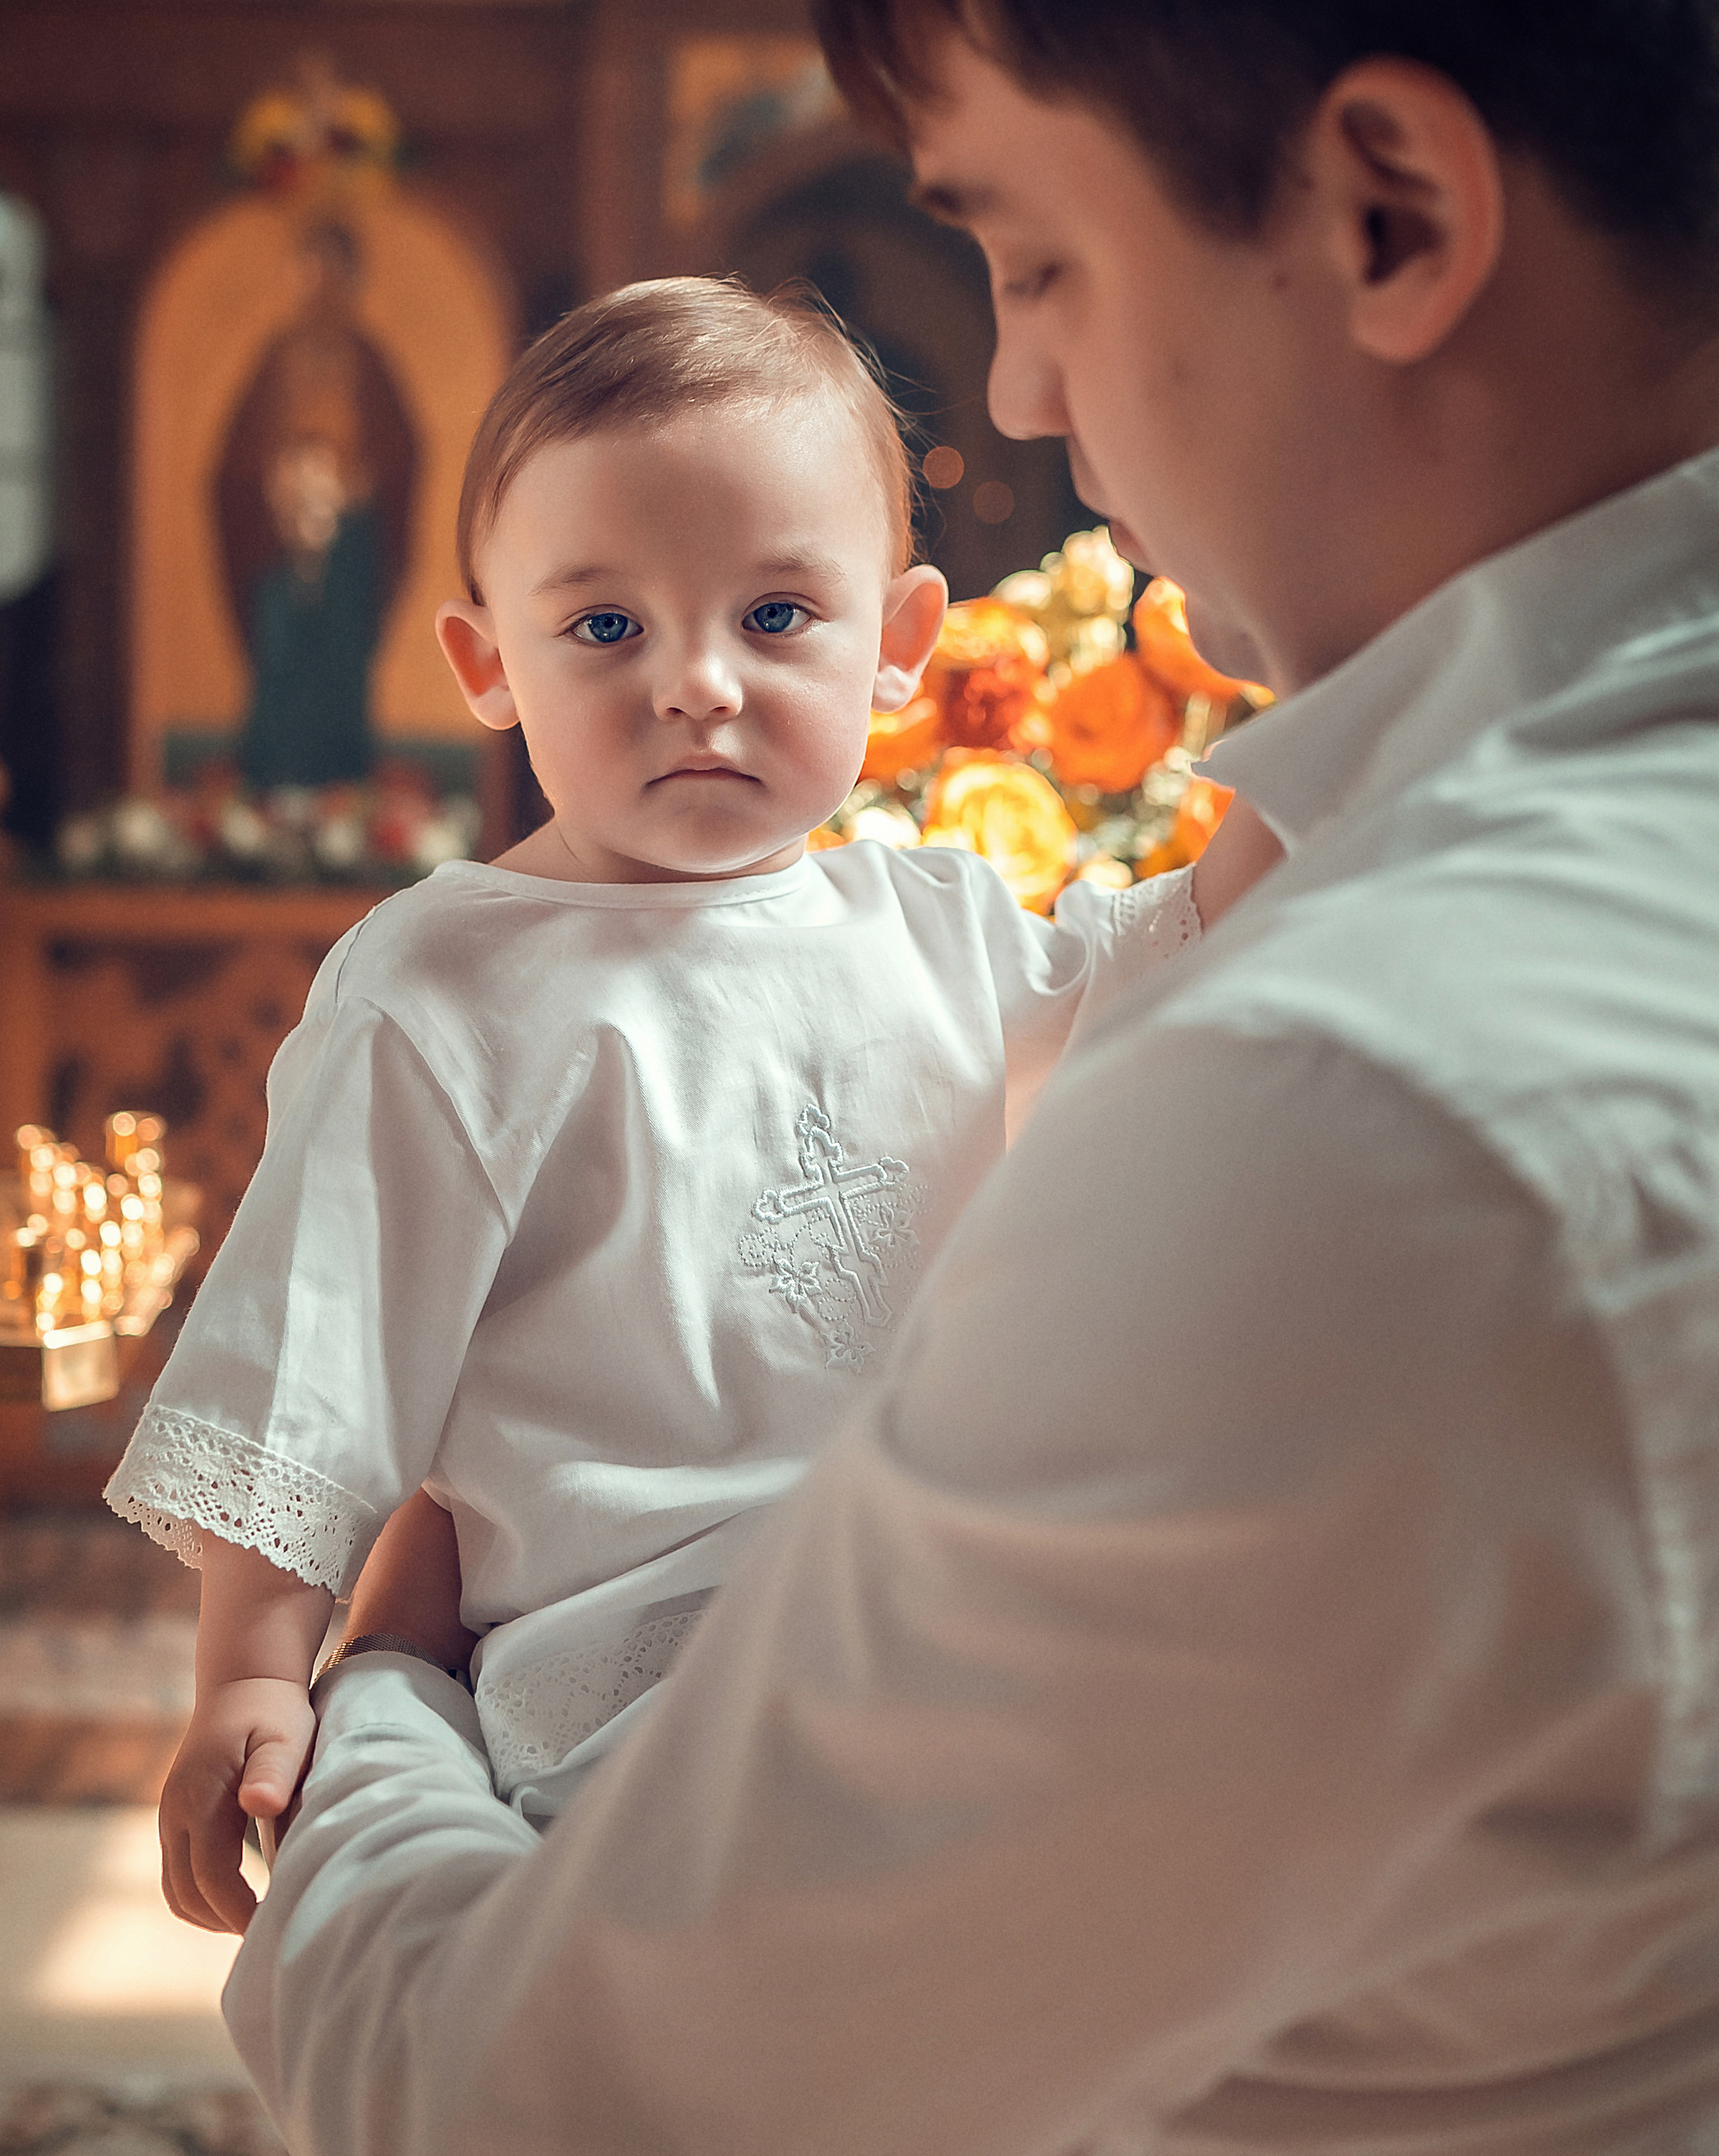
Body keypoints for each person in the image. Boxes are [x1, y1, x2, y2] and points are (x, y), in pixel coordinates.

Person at [206, 0, 1719, 2156]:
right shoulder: (1473, 886)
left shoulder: (1389, 1105)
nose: (1025, 402)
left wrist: (397, 1686)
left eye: (1026, 256)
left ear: (1386, 211)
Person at [107, 273, 1273, 1939]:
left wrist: (1356, 715)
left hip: (944, 1597)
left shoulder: (928, 926)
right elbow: (316, 1353)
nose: (696, 685)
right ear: (485, 661)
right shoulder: (445, 984)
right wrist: (247, 1676)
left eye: (777, 617)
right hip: (628, 1669)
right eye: (604, 628)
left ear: (897, 647)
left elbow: (1179, 949)